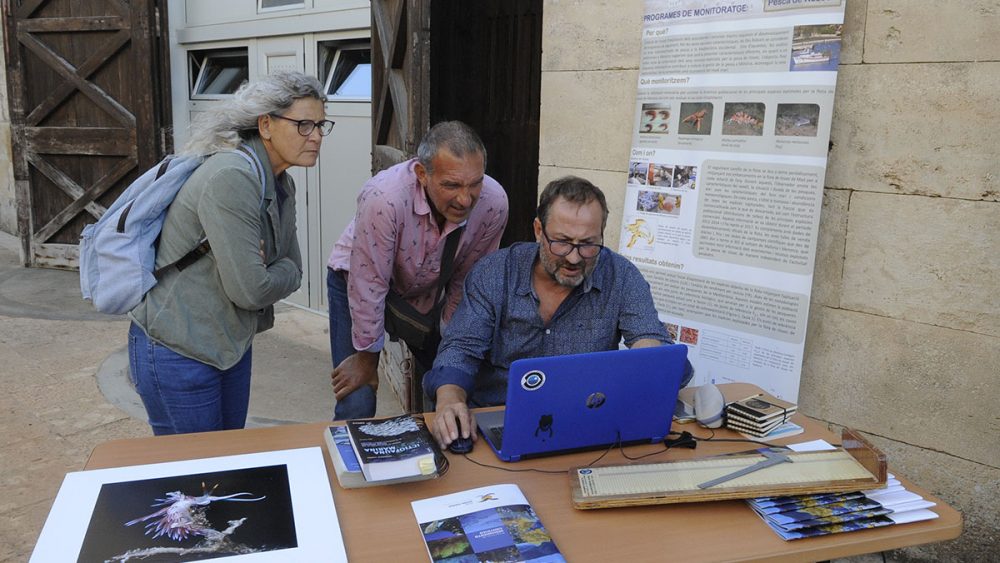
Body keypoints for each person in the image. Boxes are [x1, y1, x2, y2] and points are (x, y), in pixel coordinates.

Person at [128, 71, 331, 435]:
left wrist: (272, 267)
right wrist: (273, 268)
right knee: (195, 477)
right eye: (303, 125)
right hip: (179, 348)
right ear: (266, 125)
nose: (316, 136)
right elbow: (251, 290)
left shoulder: (280, 181)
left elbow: (296, 269)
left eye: (320, 125)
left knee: (227, 464)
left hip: (229, 345)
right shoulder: (232, 176)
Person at [423, 176, 693, 448]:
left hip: (586, 420)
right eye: (562, 242)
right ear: (539, 230)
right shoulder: (495, 273)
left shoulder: (620, 276)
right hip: (497, 416)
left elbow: (649, 337)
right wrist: (450, 401)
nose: (574, 258)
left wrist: (648, 356)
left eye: (588, 244)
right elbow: (460, 350)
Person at [327, 121, 508, 420]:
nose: (465, 199)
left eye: (474, 183)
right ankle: (350, 464)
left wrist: (451, 350)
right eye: (451, 185)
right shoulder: (384, 198)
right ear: (422, 174)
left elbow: (468, 284)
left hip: (427, 292)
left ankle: (438, 457)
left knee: (452, 383)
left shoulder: (494, 203)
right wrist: (367, 359)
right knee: (357, 400)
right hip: (358, 282)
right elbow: (369, 285)